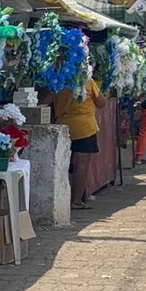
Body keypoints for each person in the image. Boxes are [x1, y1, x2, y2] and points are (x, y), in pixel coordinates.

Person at [52, 77, 107, 211]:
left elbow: (47, 100)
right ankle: (76, 201)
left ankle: (59, 200)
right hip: (84, 127)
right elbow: (101, 102)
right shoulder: (87, 81)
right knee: (81, 166)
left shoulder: (57, 79)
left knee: (60, 166)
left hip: (62, 126)